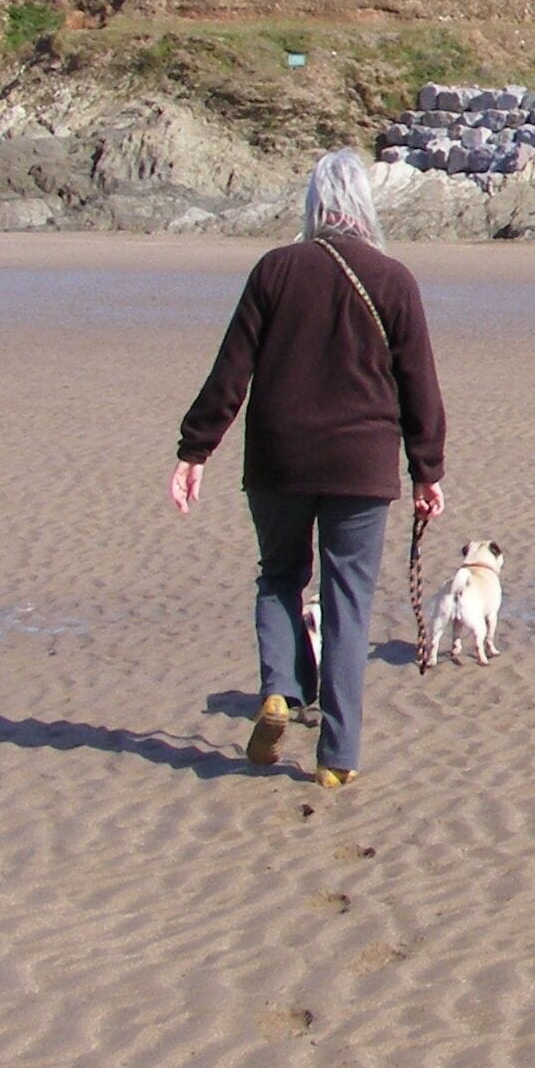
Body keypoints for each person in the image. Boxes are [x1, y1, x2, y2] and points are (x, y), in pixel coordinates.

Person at [171, 151, 446, 787]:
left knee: (280, 576)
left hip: (279, 457)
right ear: (365, 205)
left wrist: (195, 450)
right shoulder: (393, 279)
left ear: (313, 204)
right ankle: (338, 757)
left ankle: (279, 692)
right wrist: (426, 469)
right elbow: (419, 384)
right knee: (349, 602)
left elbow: (231, 370)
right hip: (361, 463)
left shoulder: (275, 269)